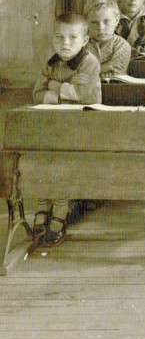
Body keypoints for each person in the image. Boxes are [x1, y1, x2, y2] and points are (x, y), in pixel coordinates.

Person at [32, 13, 101, 246]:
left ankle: (60, 212)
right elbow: (36, 94)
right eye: (60, 37)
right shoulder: (51, 61)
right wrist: (61, 92)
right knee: (41, 158)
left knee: (61, 162)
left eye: (73, 37)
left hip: (85, 127)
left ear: (85, 40)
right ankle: (43, 205)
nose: (65, 43)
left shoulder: (88, 62)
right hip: (56, 125)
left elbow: (80, 95)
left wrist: (51, 87)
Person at [83, 0, 130, 78]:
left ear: (116, 20)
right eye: (94, 22)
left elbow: (115, 75)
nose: (101, 28)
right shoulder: (82, 44)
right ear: (86, 22)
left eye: (106, 21)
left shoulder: (122, 46)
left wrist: (89, 72)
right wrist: (107, 66)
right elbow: (74, 72)